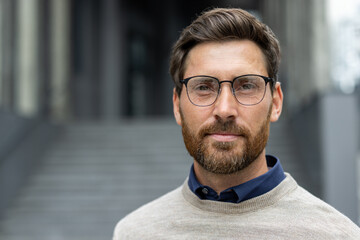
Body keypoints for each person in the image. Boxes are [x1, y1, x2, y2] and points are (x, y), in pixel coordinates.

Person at [113, 8, 360, 239]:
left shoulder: (336, 235)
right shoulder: (134, 233)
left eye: (246, 86)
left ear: (276, 102)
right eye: (203, 87)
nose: (224, 110)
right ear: (177, 106)